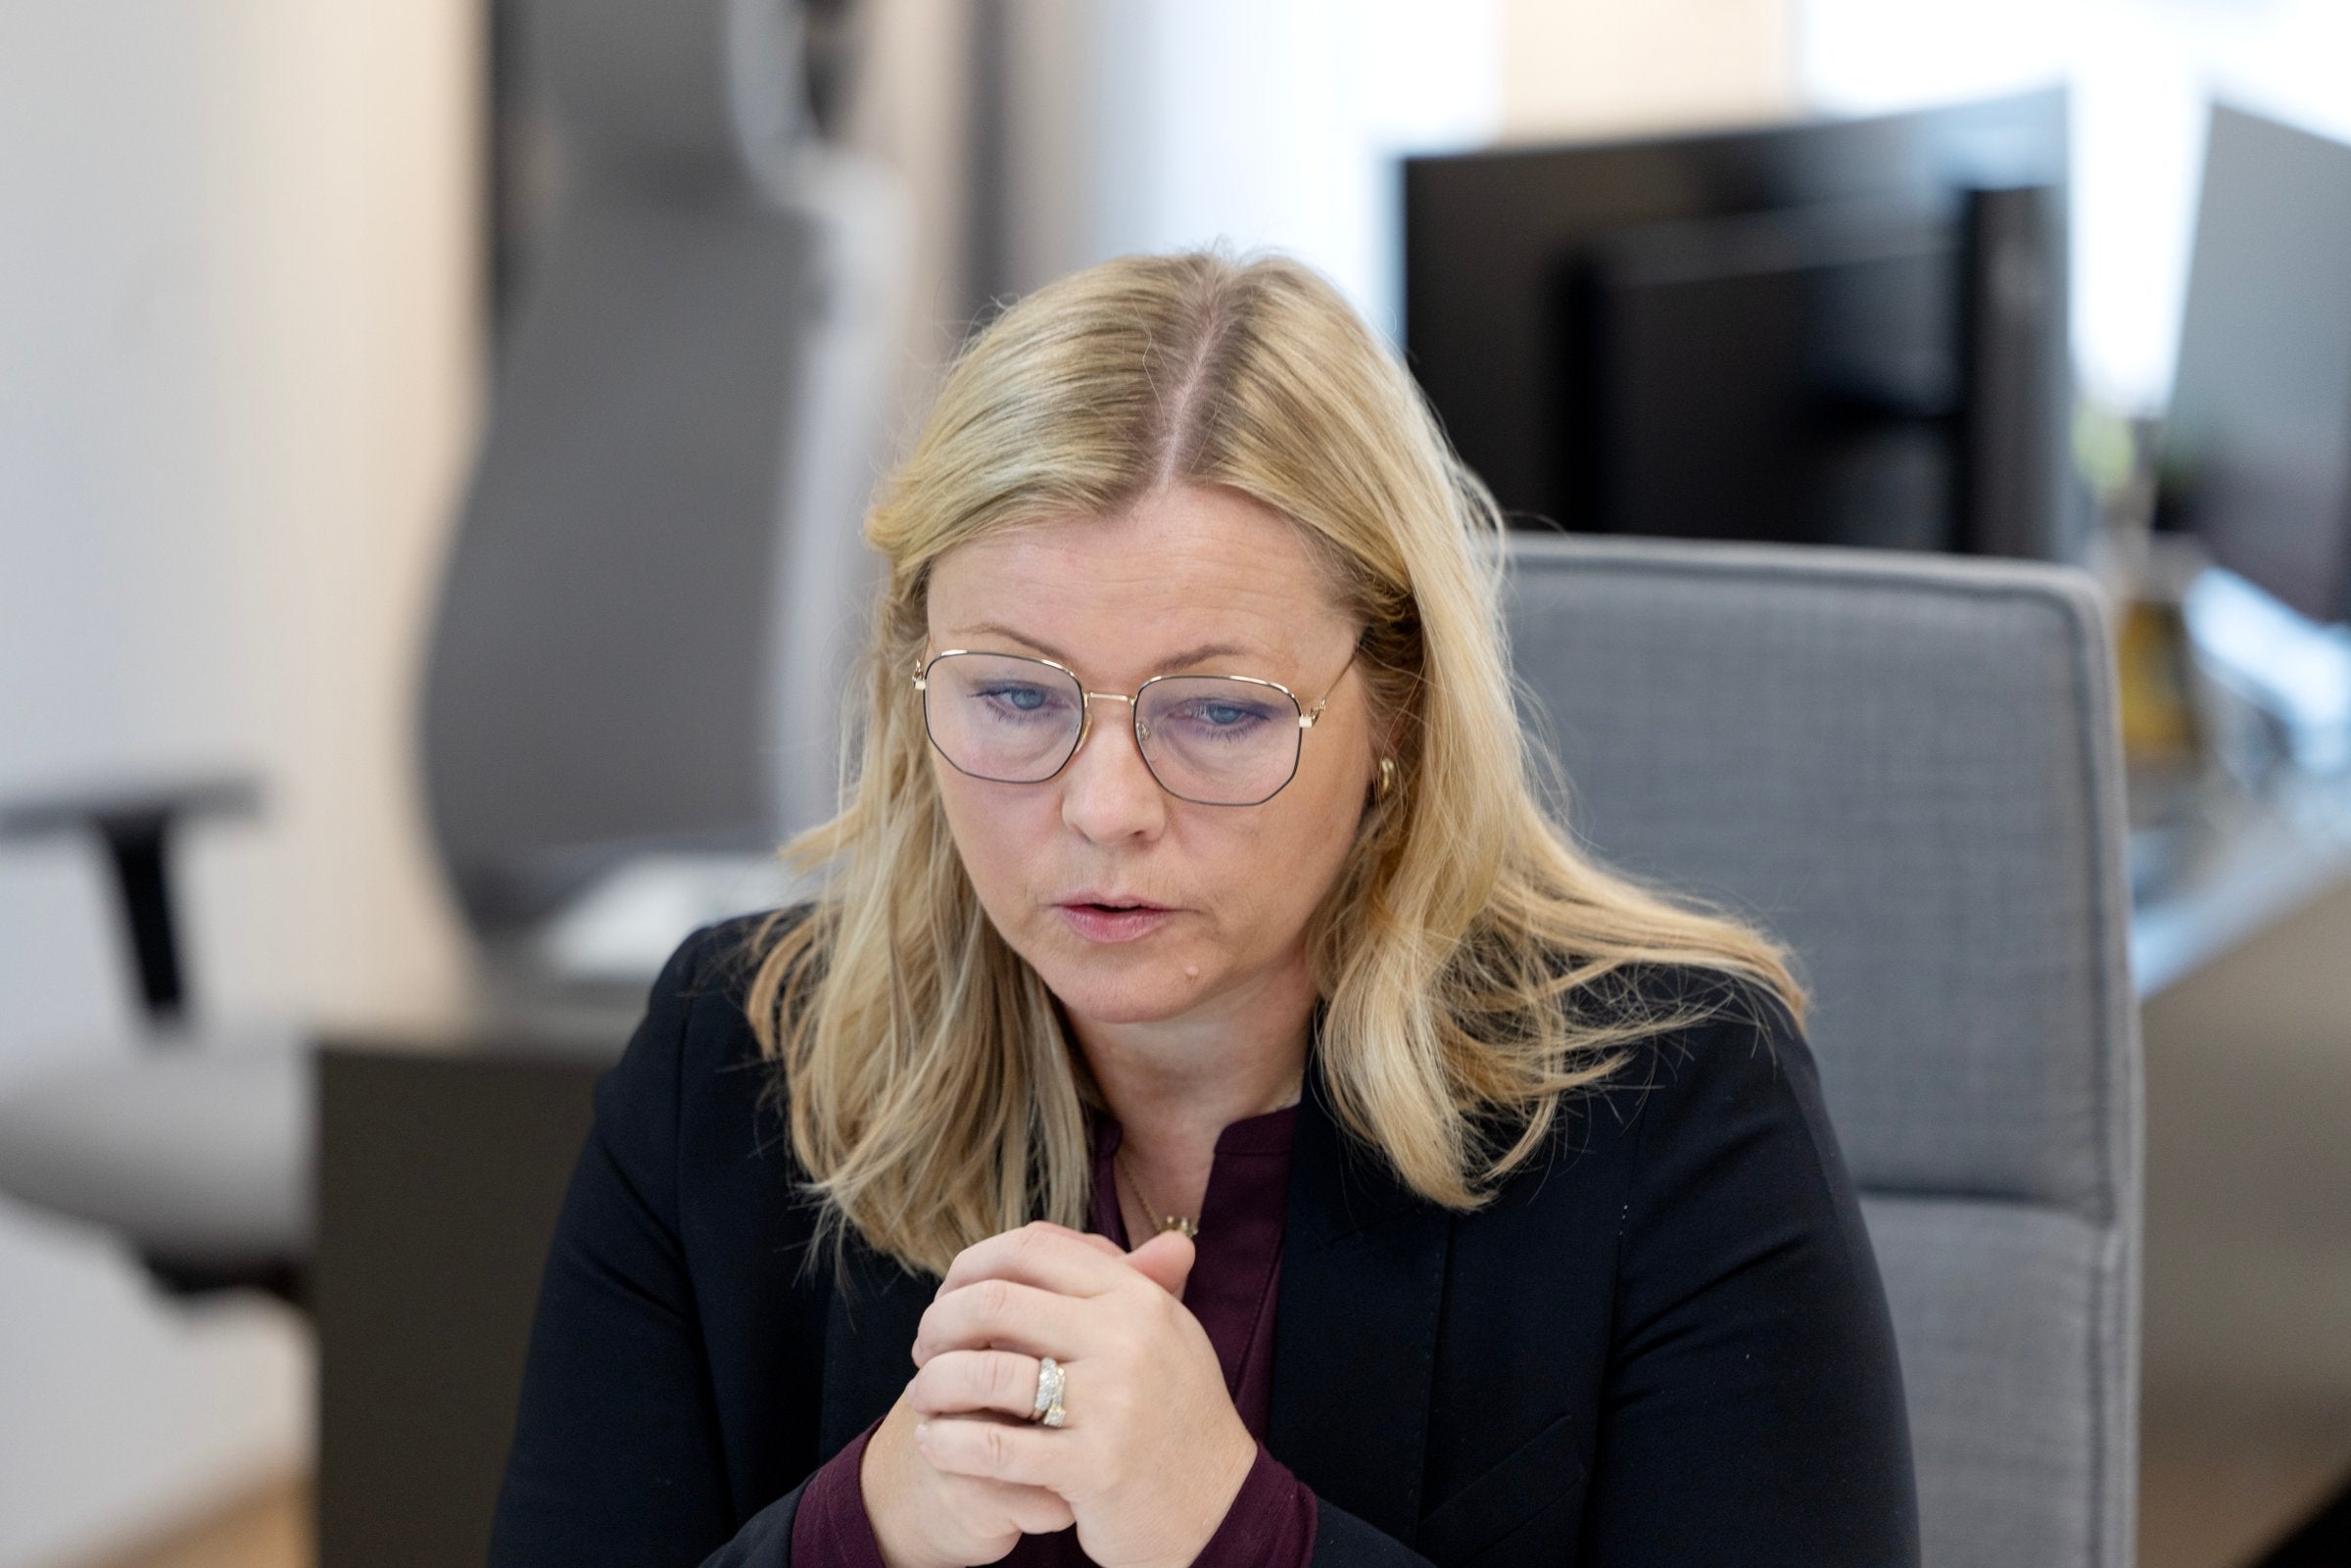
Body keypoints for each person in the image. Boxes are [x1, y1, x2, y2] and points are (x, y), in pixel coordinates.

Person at [488, 251, 1918, 1568]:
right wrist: (867, 1525)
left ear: (1398, 708)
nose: (1105, 806)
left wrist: (1240, 1531)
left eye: (1220, 711)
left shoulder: (1675, 1100)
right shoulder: (737, 1053)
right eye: (1015, 695)